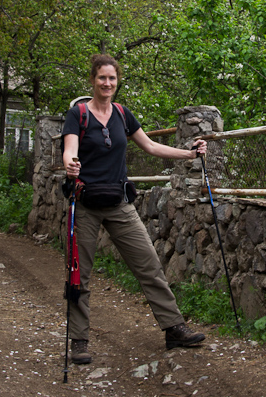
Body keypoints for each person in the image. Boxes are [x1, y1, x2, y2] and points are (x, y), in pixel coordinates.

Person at [62, 54, 208, 365]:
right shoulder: (78, 114)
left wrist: (190, 155)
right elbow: (69, 150)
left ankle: (173, 328)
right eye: (102, 77)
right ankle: (79, 340)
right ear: (92, 80)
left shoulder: (122, 115)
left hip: (119, 203)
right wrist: (71, 165)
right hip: (85, 203)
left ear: (117, 81)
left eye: (112, 78)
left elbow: (152, 147)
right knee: (79, 275)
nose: (107, 83)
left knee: (149, 264)